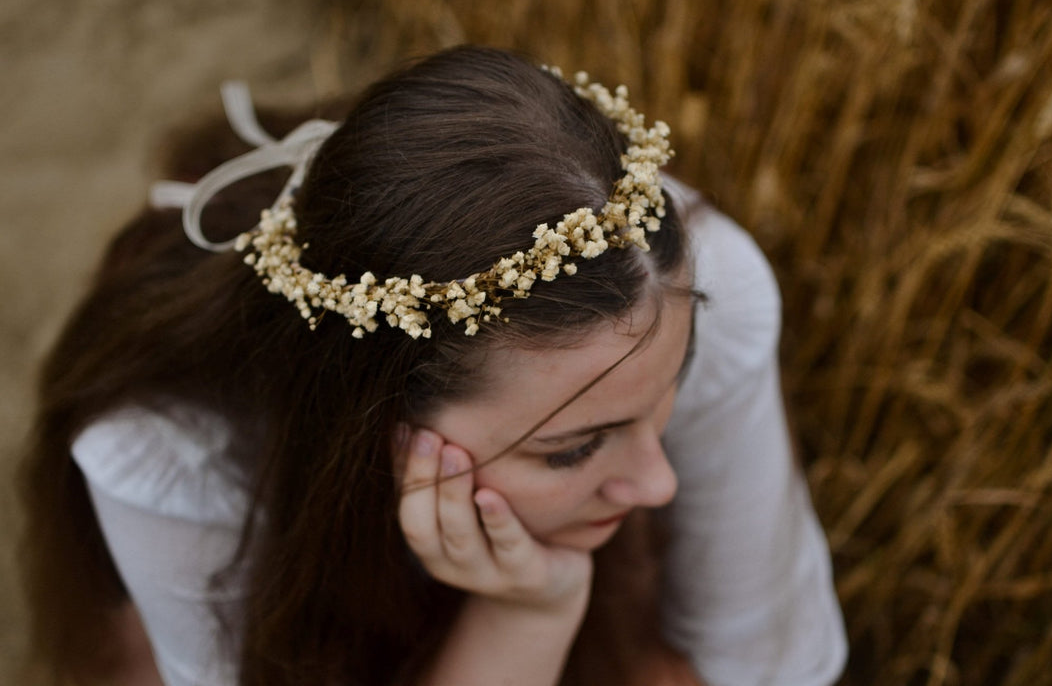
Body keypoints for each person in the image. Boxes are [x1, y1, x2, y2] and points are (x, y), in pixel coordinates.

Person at [18, 46, 847, 686]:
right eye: (571, 448)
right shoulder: (173, 460)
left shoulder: (696, 290)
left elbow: (766, 661)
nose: (655, 484)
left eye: (677, 384)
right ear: (375, 417)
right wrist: (527, 615)